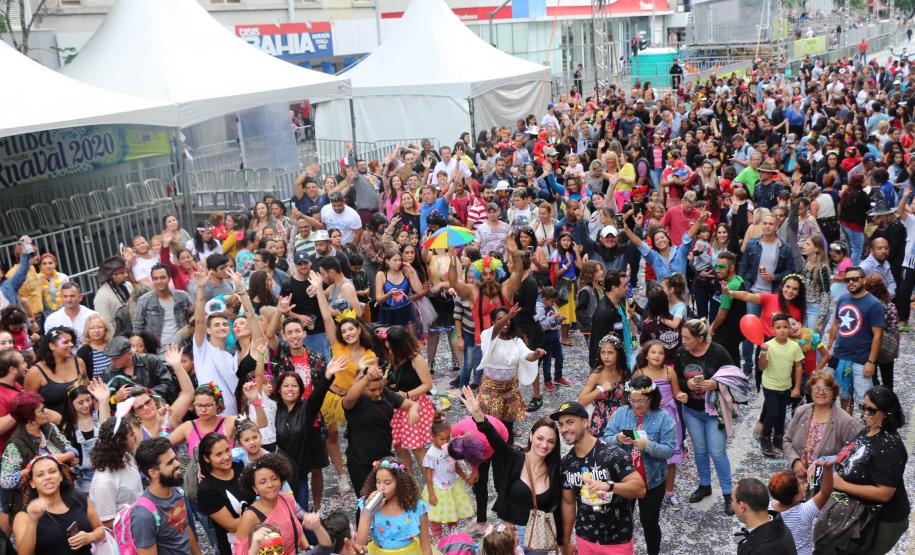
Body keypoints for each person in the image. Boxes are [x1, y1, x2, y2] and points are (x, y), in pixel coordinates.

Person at [461, 387, 562, 551]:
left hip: (539, 536)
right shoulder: (515, 458)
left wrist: (562, 542)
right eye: (540, 438)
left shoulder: (555, 470)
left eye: (550, 441)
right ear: (531, 436)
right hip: (511, 533)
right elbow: (494, 438)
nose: (544, 445)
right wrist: (477, 414)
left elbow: (559, 507)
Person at [554, 400, 646, 555]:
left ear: (585, 422)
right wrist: (566, 541)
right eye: (561, 425)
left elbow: (640, 489)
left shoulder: (613, 454)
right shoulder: (566, 464)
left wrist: (609, 486)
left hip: (617, 542)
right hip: (584, 540)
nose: (564, 429)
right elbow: (568, 503)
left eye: (569, 422)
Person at [603, 376, 675, 555]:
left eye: (641, 401)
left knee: (649, 522)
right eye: (632, 400)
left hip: (652, 481)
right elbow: (606, 439)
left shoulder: (664, 418)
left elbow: (669, 451)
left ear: (652, 398)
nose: (636, 405)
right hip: (625, 479)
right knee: (621, 521)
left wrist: (648, 445)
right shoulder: (621, 413)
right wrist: (617, 439)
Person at [673, 318, 735, 514]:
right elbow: (677, 378)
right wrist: (686, 385)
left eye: (686, 338)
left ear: (700, 338)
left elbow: (734, 378)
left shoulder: (718, 352)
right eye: (682, 337)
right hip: (691, 410)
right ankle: (704, 485)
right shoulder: (681, 352)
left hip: (714, 412)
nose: (682, 341)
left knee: (717, 452)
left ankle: (728, 493)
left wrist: (715, 384)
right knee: (699, 450)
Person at [342, 361, 422, 500]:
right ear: (362, 387)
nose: (378, 393)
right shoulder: (355, 402)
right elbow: (348, 398)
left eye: (380, 388)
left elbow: (411, 404)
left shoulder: (385, 393)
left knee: (389, 499)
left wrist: (413, 410)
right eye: (372, 390)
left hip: (384, 458)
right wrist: (366, 376)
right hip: (360, 461)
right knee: (367, 503)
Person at [11, 455, 105, 555]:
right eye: (40, 475)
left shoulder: (80, 498)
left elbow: (100, 530)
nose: (48, 477)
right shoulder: (23, 517)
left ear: (60, 476)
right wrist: (33, 521)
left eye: (52, 471)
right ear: (32, 483)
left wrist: (90, 537)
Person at [782, 370, 858, 489]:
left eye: (826, 389)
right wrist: (795, 461)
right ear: (810, 390)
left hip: (826, 486)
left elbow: (854, 454)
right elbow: (787, 440)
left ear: (834, 392)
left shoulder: (845, 421)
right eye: (816, 388)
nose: (820, 392)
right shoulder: (801, 411)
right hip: (798, 482)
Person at [632, 340, 685, 507]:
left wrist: (682, 395)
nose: (657, 355)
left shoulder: (670, 372)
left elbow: (677, 393)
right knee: (644, 453)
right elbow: (633, 396)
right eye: (653, 352)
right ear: (646, 355)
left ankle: (669, 492)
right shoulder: (639, 373)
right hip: (647, 418)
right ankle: (643, 487)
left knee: (670, 458)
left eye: (661, 353)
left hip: (669, 418)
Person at [825, 266, 884, 414]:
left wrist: (871, 362)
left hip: (861, 360)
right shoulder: (843, 299)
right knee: (844, 397)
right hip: (841, 357)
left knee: (866, 401)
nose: (851, 282)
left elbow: (878, 335)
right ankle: (849, 430)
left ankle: (868, 433)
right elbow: (836, 323)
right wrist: (829, 347)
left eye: (855, 279)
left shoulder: (874, 304)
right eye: (847, 279)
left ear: (863, 280)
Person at [131, 437, 202, 555]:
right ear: (153, 473)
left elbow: (184, 527)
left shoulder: (176, 492)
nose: (178, 463)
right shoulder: (143, 516)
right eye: (170, 462)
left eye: (175, 458)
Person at [234, 453, 310, 554]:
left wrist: (308, 549)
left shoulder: (287, 499)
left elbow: (295, 526)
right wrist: (254, 546)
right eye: (263, 482)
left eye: (274, 479)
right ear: (254, 487)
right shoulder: (250, 516)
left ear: (281, 480)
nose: (270, 485)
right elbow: (239, 552)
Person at [356, 457, 432, 555]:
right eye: (378, 482)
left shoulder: (416, 506)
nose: (381, 488)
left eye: (387, 482)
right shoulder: (369, 504)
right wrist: (368, 512)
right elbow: (360, 544)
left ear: (400, 483)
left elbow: (426, 547)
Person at [197, 432, 256, 555]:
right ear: (206, 458)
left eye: (227, 450)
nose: (226, 457)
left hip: (261, 539)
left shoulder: (240, 466)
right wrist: (265, 512)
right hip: (235, 547)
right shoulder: (206, 489)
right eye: (218, 454)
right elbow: (231, 525)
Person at [756, 313, 803, 457]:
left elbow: (798, 367)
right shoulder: (768, 346)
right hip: (770, 385)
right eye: (778, 327)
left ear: (789, 328)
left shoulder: (794, 346)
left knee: (782, 413)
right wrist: (763, 352)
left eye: (785, 327)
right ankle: (765, 437)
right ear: (772, 329)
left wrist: (796, 387)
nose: (782, 330)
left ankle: (778, 437)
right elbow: (762, 367)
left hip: (785, 385)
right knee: (773, 412)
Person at [419, 414, 474, 539]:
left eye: (447, 438)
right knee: (436, 515)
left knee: (452, 511)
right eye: (442, 439)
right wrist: (431, 493)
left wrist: (464, 477)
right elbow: (428, 475)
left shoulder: (450, 448)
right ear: (432, 437)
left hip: (453, 485)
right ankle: (437, 537)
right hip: (438, 488)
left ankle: (453, 535)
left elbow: (455, 464)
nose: (445, 442)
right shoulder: (431, 454)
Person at [768, 460, 835, 555]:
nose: (805, 485)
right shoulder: (803, 512)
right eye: (801, 486)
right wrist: (828, 469)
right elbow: (826, 492)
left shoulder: (767, 509)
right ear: (795, 497)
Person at [88, 417, 143, 528]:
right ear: (119, 441)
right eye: (131, 435)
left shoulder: (126, 457)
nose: (135, 438)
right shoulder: (104, 481)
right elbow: (107, 522)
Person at [24, 327, 86, 418]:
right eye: (66, 342)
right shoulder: (36, 372)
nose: (72, 344)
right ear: (52, 346)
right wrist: (49, 414)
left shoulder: (79, 362)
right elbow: (28, 405)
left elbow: (86, 388)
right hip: (54, 427)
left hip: (82, 422)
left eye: (72, 341)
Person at [577, 334, 628, 438]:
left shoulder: (622, 372)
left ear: (618, 354)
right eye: (603, 352)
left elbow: (623, 398)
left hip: (619, 419)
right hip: (601, 420)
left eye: (610, 353)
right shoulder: (597, 374)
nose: (606, 356)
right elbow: (581, 401)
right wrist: (600, 389)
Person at [102, 336, 176, 405]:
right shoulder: (108, 373)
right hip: (131, 416)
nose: (113, 362)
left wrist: (147, 393)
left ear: (130, 354)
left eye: (116, 358)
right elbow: (104, 404)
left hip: (158, 408)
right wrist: (116, 399)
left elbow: (168, 385)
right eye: (111, 358)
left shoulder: (151, 361)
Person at [132, 264, 192, 349]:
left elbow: (194, 316)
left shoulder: (182, 296)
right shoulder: (144, 300)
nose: (159, 281)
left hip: (183, 348)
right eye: (155, 279)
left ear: (169, 278)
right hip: (157, 350)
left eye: (162, 277)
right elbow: (137, 327)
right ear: (152, 280)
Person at [731, 478, 797, 554]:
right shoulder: (781, 527)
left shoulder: (755, 550)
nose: (732, 505)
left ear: (742, 507)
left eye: (733, 500)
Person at [42, 284, 97, 350]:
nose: (69, 299)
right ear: (61, 298)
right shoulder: (51, 319)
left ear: (80, 297)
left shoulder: (93, 316)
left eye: (72, 296)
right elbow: (50, 342)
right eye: (65, 296)